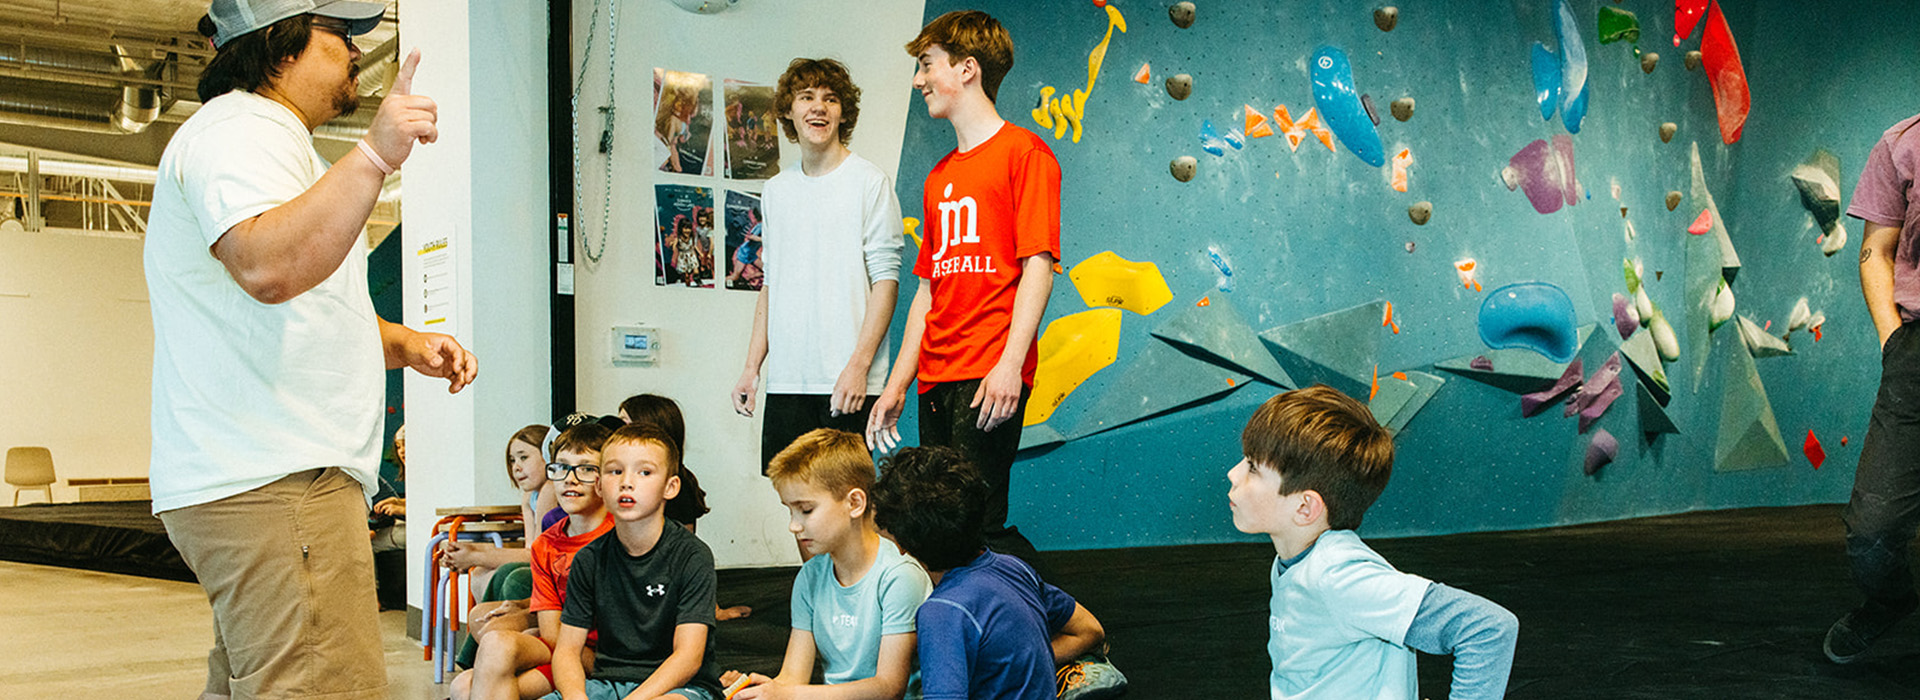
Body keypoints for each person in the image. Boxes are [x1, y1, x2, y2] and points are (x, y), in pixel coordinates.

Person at [146, 4, 473, 699]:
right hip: (278, 482)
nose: (358, 48)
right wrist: (377, 156)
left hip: (263, 478)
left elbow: (303, 307)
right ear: (280, 46)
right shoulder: (242, 132)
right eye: (340, 33)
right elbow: (268, 268)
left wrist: (407, 344)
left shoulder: (267, 143)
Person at [866, 11, 1059, 560]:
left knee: (979, 520)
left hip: (988, 370)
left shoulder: (1026, 154)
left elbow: (1037, 268)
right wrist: (897, 384)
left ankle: (1052, 626)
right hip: (935, 377)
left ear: (968, 68)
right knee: (935, 522)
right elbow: (927, 291)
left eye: (927, 64)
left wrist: (1008, 365)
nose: (918, 79)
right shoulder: (939, 176)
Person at [1228, 386, 1518, 699]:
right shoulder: (1296, 559)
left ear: (1305, 508)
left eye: (1253, 467)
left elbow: (1488, 628)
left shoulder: (1339, 576)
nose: (1233, 474)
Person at [733, 57, 904, 487]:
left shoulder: (870, 182)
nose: (818, 108)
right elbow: (770, 283)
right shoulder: (776, 190)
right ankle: (811, 563)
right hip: (789, 377)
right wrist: (752, 367)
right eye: (806, 97)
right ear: (789, 111)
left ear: (843, 112)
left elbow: (886, 283)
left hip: (848, 380)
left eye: (830, 99)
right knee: (796, 497)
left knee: (848, 502)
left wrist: (858, 367)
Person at [868, 446, 1126, 700]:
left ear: (902, 545)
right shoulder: (1014, 568)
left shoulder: (942, 613)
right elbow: (1090, 630)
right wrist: (1015, 664)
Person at [726, 429, 931, 700]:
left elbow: (889, 687)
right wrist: (759, 690)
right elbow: (792, 677)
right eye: (790, 510)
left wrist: (790, 695)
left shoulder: (900, 576)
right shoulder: (810, 576)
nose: (793, 525)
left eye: (806, 510)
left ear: (855, 503)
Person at [1828, 113, 1920, 664]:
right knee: (1871, 538)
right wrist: (1894, 343)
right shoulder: (1901, 143)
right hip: (1915, 356)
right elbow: (1876, 253)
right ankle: (1890, 601)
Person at [544, 423, 724, 700]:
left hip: (680, 689)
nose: (627, 481)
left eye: (644, 472)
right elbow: (568, 650)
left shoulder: (691, 555)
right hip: (607, 684)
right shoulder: (588, 559)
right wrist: (574, 696)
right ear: (600, 485)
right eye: (615, 471)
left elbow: (688, 657)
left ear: (671, 486)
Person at [453, 423, 617, 700]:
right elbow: (552, 633)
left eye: (587, 468)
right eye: (561, 468)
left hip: (602, 659)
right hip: (561, 646)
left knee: (477, 681)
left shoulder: (621, 536)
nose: (570, 479)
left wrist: (529, 628)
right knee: (467, 678)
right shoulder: (547, 543)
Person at [618, 394, 751, 621]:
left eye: (626, 424)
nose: (619, 432)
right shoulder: (616, 477)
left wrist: (712, 608)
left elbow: (686, 552)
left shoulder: (679, 484)